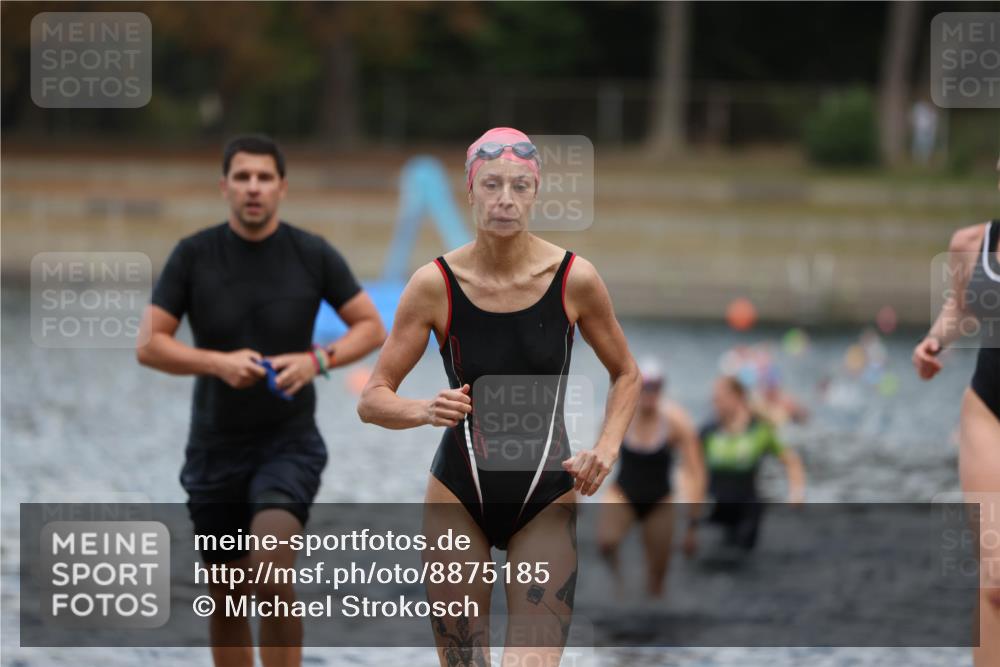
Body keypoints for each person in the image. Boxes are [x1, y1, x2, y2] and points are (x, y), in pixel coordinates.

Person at [357, 127, 641, 666]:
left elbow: (626, 373)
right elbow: (372, 399)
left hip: (546, 496)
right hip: (458, 495)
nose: (504, 199)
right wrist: (422, 409)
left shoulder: (574, 280)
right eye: (491, 184)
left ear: (536, 192)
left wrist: (605, 447)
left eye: (518, 185)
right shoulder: (434, 284)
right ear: (470, 190)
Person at [136, 134, 386, 667]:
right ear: (225, 186)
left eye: (264, 177)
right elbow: (150, 345)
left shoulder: (311, 253)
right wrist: (217, 363)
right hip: (214, 447)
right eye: (243, 177)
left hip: (288, 443)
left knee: (270, 568)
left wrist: (317, 361)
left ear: (282, 187)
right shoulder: (193, 254)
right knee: (227, 596)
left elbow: (371, 327)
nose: (254, 188)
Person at [913, 192, 1000, 666]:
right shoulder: (972, 243)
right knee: (997, 579)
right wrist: (934, 339)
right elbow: (962, 307)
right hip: (990, 413)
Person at [596, 360, 705, 598]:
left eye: (655, 387)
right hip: (623, 493)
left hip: (660, 500)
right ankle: (619, 585)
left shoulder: (676, 422)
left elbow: (695, 471)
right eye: (644, 387)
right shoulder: (620, 416)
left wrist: (693, 522)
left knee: (657, 579)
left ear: (662, 389)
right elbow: (599, 453)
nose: (649, 393)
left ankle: (650, 614)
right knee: (606, 542)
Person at [697, 376, 806, 554]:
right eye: (714, 399)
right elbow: (692, 468)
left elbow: (792, 461)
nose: (714, 403)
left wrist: (796, 493)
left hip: (747, 510)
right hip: (716, 509)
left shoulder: (760, 430)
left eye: (719, 398)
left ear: (737, 397)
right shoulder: (708, 431)